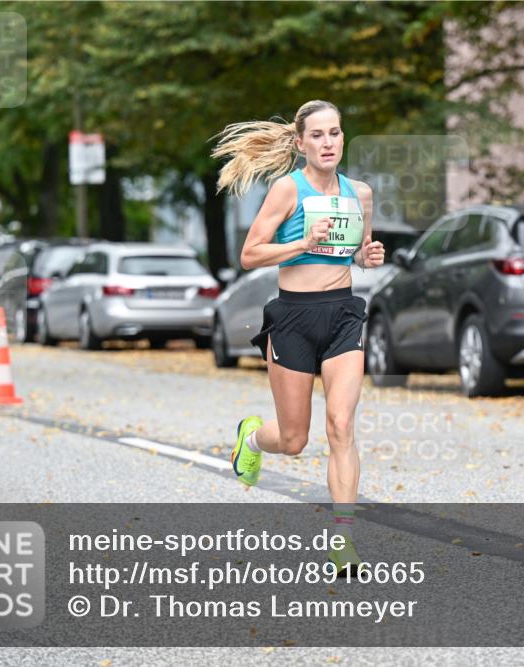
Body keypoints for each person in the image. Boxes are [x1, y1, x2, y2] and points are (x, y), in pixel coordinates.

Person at [211, 100, 385, 574]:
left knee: (341, 426)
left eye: (335, 133)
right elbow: (250, 254)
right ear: (301, 142)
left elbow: (358, 255)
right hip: (293, 318)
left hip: (343, 314)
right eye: (318, 135)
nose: (328, 143)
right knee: (293, 440)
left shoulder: (360, 193)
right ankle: (251, 438)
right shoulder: (288, 189)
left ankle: (343, 542)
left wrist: (368, 256)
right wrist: (302, 244)